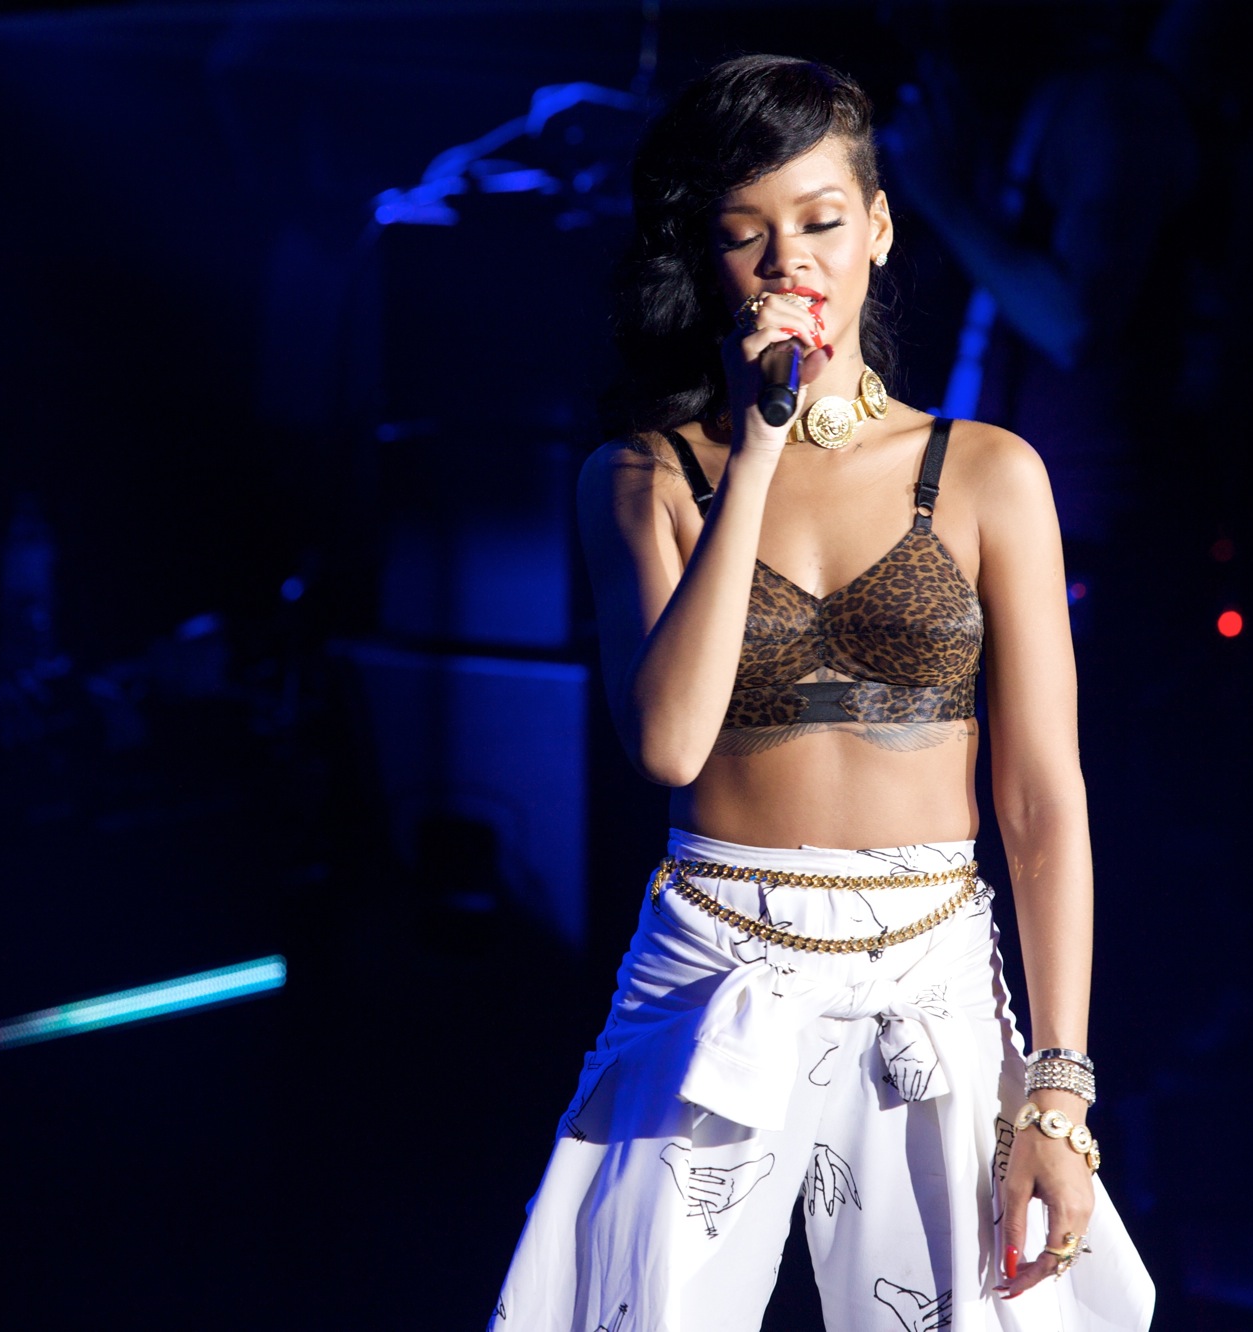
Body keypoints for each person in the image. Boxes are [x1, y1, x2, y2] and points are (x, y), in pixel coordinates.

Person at [489, 56, 1153, 1332]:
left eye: (820, 221)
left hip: (932, 965)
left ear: (879, 228)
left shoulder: (987, 472)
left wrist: (1057, 1089)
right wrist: (753, 454)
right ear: (708, 259)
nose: (789, 262)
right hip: (714, 956)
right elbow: (667, 743)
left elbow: (1039, 800)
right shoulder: (640, 477)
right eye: (746, 233)